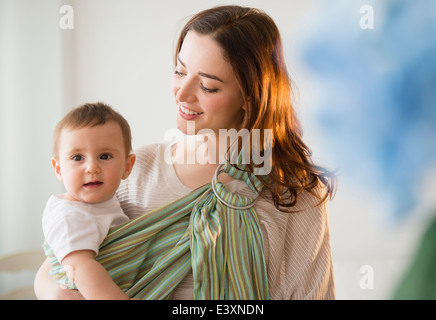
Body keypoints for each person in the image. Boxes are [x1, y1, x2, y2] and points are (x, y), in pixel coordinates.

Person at [35, 5, 336, 300]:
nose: (181, 93)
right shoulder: (129, 170)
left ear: (250, 97)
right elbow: (59, 265)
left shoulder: (293, 193)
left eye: (207, 86)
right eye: (180, 71)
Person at [41, 102, 136, 299]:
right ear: (59, 169)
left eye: (104, 156)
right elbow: (81, 269)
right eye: (77, 158)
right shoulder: (70, 217)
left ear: (127, 167)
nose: (92, 167)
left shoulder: (102, 204)